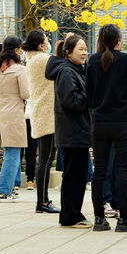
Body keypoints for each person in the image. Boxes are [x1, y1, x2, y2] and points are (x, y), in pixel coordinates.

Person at [85, 24, 127, 233]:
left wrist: (96, 109)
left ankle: (99, 219)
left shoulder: (92, 60)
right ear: (117, 40)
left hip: (99, 121)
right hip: (123, 122)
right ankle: (124, 218)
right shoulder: (126, 60)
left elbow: (88, 94)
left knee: (99, 171)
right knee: (121, 168)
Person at [45, 34, 92, 228]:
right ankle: (70, 216)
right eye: (80, 49)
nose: (85, 52)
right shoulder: (66, 71)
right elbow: (70, 100)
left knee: (78, 176)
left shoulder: (76, 69)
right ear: (68, 52)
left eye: (85, 48)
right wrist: (90, 94)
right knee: (74, 176)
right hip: (73, 132)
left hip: (77, 131)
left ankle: (73, 214)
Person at [0, 35, 30, 202]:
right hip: (14, 112)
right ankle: (4, 189)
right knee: (13, 152)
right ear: (18, 49)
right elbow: (25, 93)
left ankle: (14, 185)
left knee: (11, 149)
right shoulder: (20, 69)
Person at [22, 29, 60, 214]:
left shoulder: (33, 59)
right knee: (46, 159)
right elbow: (62, 63)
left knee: (44, 158)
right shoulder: (42, 59)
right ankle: (42, 201)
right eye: (47, 40)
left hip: (42, 112)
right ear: (41, 45)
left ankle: (42, 200)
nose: (49, 42)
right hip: (47, 114)